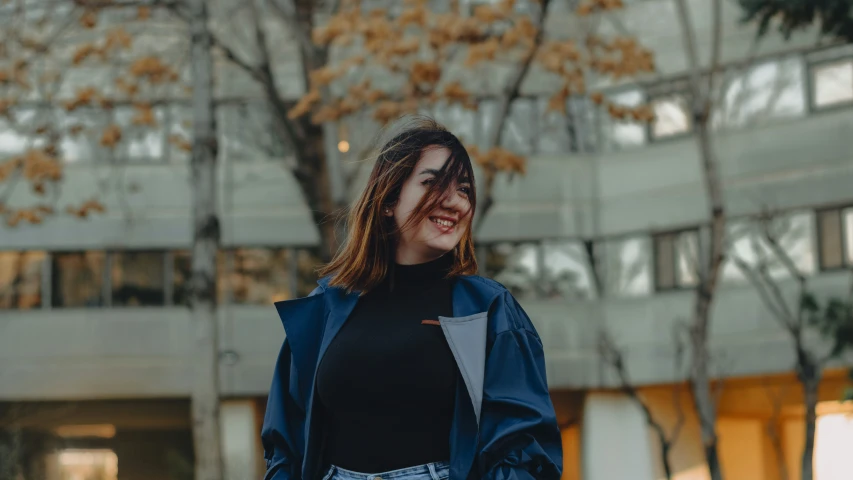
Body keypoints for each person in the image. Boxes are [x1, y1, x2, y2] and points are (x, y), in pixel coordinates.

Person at [261, 117, 562, 480]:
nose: (455, 202)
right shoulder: (326, 305)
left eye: (464, 189)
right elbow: (286, 439)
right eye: (433, 183)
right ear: (388, 200)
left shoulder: (488, 310)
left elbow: (523, 449)